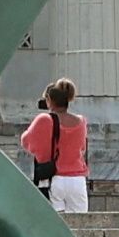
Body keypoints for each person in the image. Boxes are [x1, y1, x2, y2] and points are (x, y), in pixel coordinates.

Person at [18, 77, 90, 214]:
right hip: (78, 181)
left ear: (49, 100)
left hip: (55, 179)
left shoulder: (45, 119)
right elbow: (82, 148)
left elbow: (26, 141)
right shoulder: (81, 122)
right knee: (79, 225)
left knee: (58, 226)